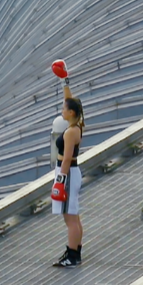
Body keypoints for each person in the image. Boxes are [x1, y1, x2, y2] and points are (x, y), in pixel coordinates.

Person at [50, 59, 84, 267]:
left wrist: (60, 182)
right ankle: (74, 252)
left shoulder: (72, 132)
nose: (62, 110)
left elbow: (68, 156)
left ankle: (73, 256)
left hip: (68, 172)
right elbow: (71, 101)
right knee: (74, 215)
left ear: (71, 113)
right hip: (71, 172)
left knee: (70, 217)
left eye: (64, 108)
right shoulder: (77, 123)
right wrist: (65, 82)